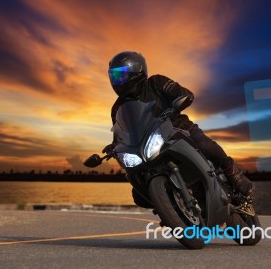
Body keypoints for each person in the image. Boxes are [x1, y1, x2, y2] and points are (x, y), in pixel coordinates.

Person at [103, 51, 253, 197]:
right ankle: (169, 207)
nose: (118, 80)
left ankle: (232, 172)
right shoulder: (118, 108)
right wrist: (114, 145)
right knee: (137, 190)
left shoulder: (156, 82)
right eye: (114, 76)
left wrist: (181, 98)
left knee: (203, 143)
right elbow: (120, 133)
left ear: (137, 70)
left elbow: (182, 93)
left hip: (178, 128)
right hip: (148, 145)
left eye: (121, 74)